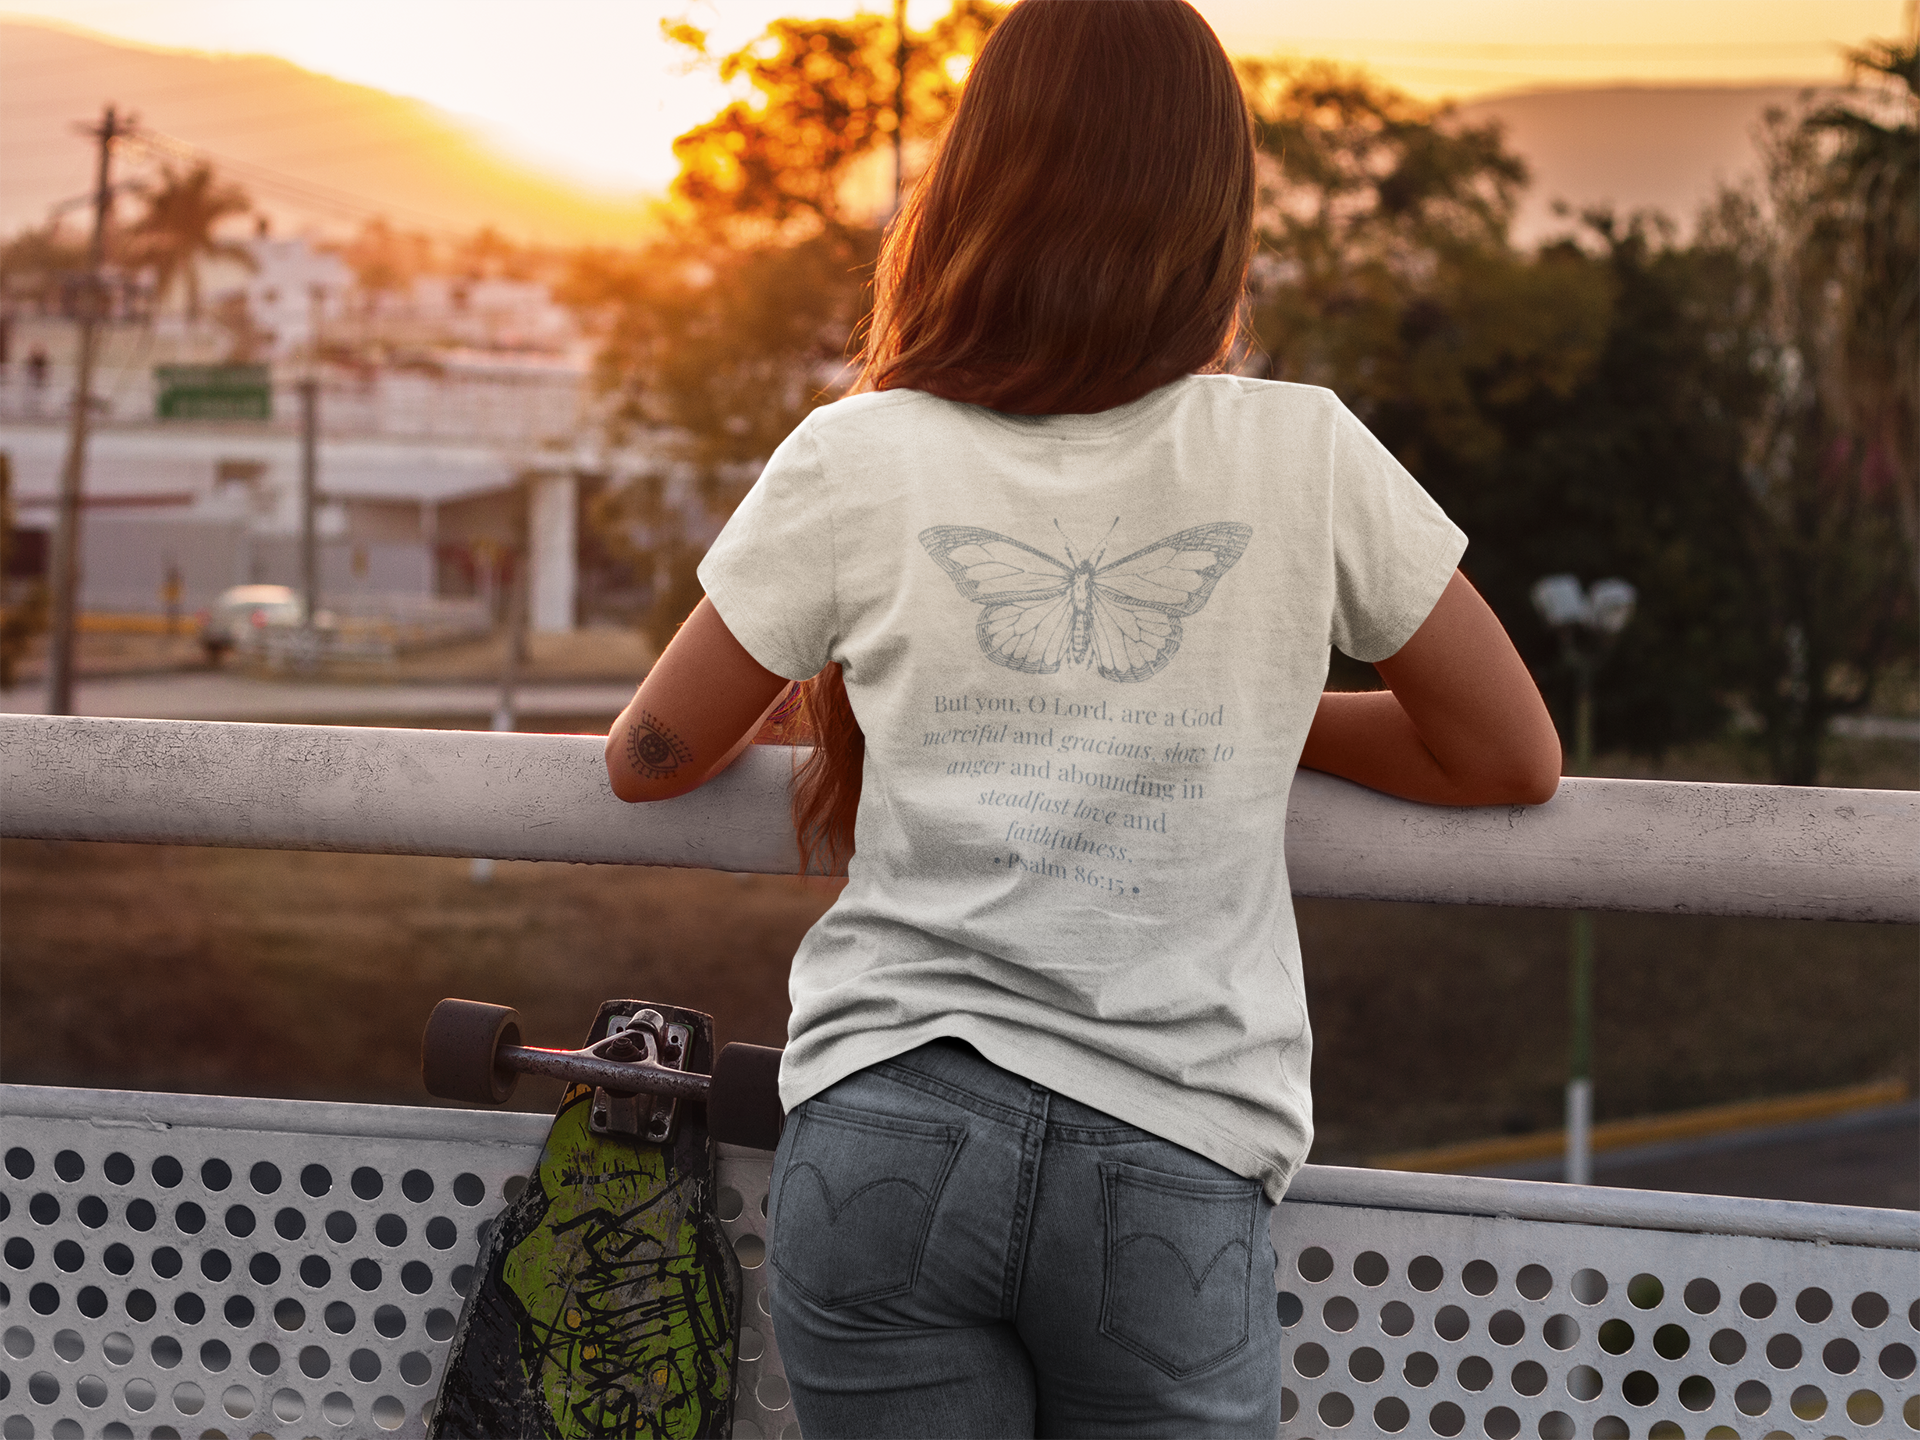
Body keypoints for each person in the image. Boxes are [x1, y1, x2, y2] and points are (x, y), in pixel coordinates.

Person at [605, 2, 1561, 1433]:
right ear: (1212, 215)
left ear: (971, 194)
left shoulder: (863, 451)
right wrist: (1233, 704)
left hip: (885, 1133)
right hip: (1170, 1151)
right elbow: (1508, 756)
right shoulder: (1301, 449)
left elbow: (649, 759)